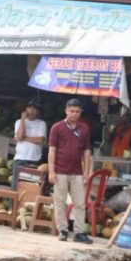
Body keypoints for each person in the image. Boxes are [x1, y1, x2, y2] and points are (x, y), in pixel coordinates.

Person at [48, 98, 94, 244]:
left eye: (77, 112)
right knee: (60, 202)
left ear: (80, 113)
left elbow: (87, 152)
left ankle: (79, 232)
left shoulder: (84, 128)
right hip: (60, 170)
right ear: (66, 111)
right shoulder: (57, 127)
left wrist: (86, 172)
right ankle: (63, 230)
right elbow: (52, 151)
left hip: (77, 172)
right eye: (72, 111)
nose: (74, 114)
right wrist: (51, 171)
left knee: (80, 203)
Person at [12, 99, 47, 188]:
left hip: (35, 160)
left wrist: (25, 138)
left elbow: (40, 140)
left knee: (32, 188)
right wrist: (23, 119)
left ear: (38, 111)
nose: (32, 111)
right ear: (25, 110)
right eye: (29, 108)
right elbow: (19, 137)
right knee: (16, 187)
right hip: (20, 159)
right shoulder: (18, 122)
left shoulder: (42, 123)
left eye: (34, 109)